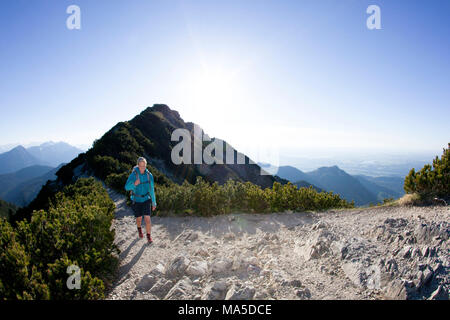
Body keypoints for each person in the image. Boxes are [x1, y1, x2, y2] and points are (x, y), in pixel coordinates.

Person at [124, 157, 157, 243]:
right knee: (138, 219)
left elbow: (151, 190)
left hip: (146, 199)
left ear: (146, 165)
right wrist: (134, 184)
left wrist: (154, 202)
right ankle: (139, 229)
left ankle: (149, 236)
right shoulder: (134, 175)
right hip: (136, 200)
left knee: (147, 219)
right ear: (138, 165)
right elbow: (126, 187)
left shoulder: (149, 175)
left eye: (144, 166)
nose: (142, 168)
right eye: (140, 166)